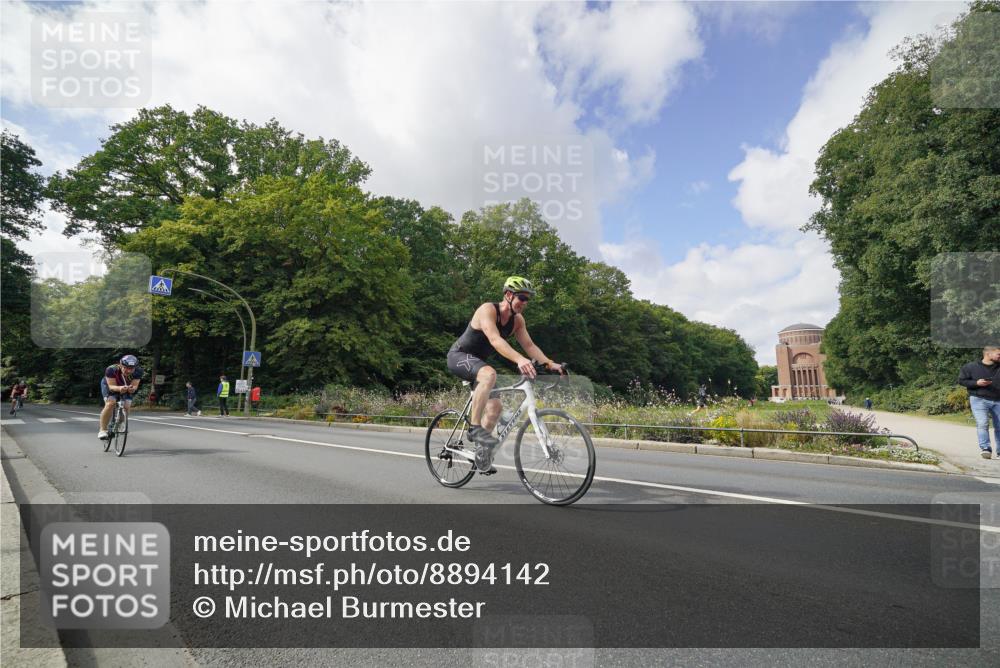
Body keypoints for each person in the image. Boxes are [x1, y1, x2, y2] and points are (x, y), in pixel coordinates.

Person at [446, 276, 563, 473]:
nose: (525, 303)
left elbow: (529, 345)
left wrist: (550, 364)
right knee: (489, 374)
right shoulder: (487, 310)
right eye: (521, 298)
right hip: (459, 356)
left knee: (496, 408)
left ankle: (481, 455)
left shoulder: (517, 321)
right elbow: (494, 339)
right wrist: (519, 360)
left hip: (479, 364)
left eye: (528, 300)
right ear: (508, 295)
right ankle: (475, 429)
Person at [958, 345, 1000, 459]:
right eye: (998, 354)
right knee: (983, 423)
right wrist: (977, 383)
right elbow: (961, 381)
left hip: (998, 400)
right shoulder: (970, 367)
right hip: (978, 399)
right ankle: (986, 448)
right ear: (988, 354)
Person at [99, 355, 143, 439]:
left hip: (126, 386)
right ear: (120, 365)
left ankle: (120, 423)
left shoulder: (138, 371)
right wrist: (119, 388)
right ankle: (102, 430)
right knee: (111, 403)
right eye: (126, 368)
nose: (129, 371)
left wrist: (132, 389)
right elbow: (111, 386)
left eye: (132, 368)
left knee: (127, 406)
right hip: (110, 385)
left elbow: (134, 385)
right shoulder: (111, 369)